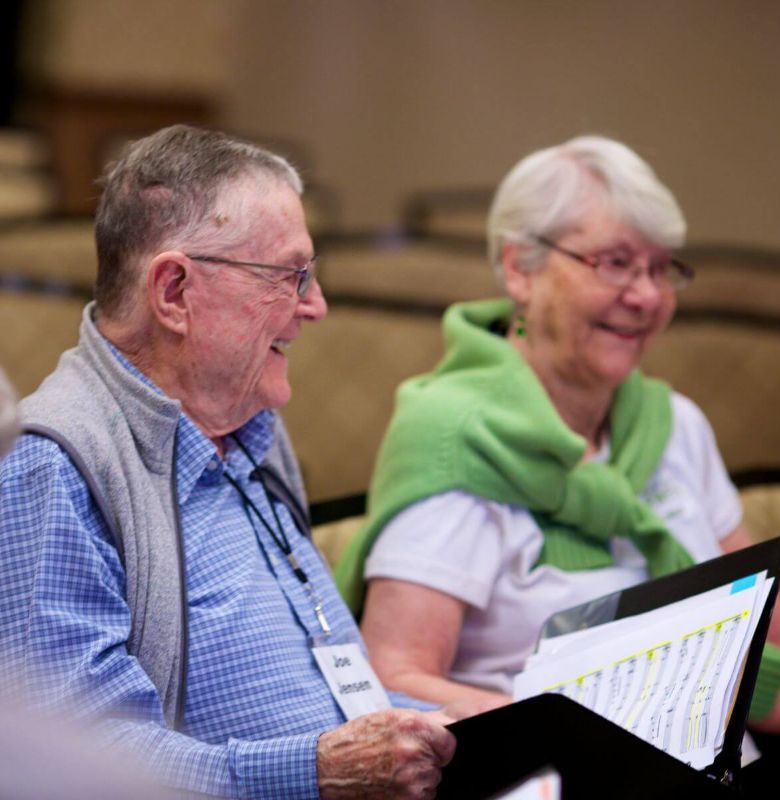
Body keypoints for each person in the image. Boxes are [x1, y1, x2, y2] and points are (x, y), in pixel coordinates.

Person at [0, 125, 456, 799]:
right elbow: (85, 764)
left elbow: (329, 687)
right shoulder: (56, 467)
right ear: (175, 292)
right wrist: (319, 772)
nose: (317, 306)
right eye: (290, 276)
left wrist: (435, 727)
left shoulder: (251, 429)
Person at [337, 135, 780, 735]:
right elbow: (395, 677)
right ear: (518, 268)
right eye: (613, 262)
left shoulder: (674, 426)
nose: (647, 296)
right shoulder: (456, 441)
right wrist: (584, 735)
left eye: (662, 268)